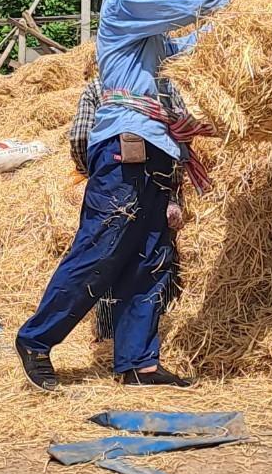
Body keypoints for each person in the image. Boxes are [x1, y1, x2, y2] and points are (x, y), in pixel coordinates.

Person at [15, 0, 241, 390]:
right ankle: (36, 339)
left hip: (155, 146)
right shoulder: (124, 2)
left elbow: (180, 48)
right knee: (101, 247)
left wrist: (236, 24)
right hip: (125, 143)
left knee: (151, 254)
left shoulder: (144, 27)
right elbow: (180, 7)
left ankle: (138, 363)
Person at [69, 60, 187, 344]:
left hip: (116, 184)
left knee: (109, 255)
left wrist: (97, 174)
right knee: (149, 260)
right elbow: (182, 143)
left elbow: (80, 140)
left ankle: (112, 333)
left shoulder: (99, 88)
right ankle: (136, 342)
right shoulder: (164, 88)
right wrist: (173, 194)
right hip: (156, 184)